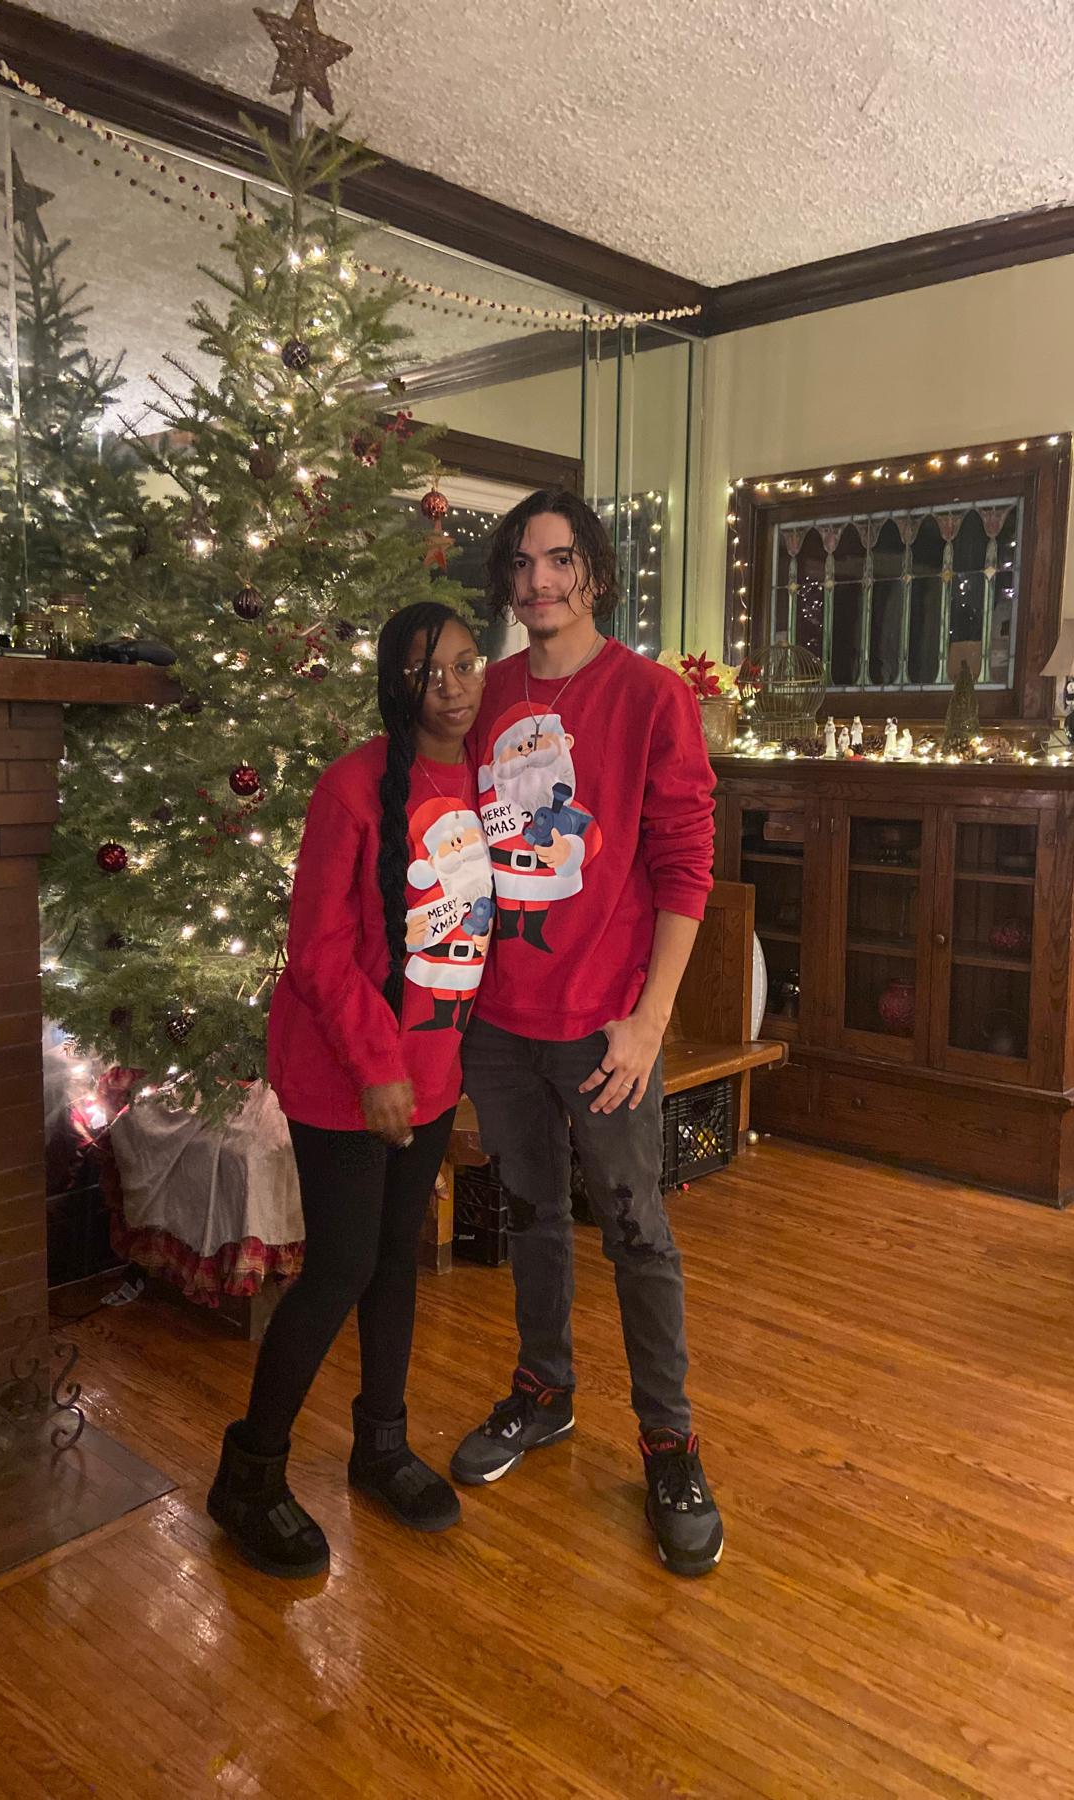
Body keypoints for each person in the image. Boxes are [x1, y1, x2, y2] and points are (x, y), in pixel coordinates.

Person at [449, 490, 724, 1577]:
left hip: (606, 1028)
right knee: (529, 1217)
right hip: (497, 1022)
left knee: (636, 1229)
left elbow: (685, 869)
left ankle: (669, 1441)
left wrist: (651, 1022)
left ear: (594, 573)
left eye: (558, 560)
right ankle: (544, 1389)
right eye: (521, 564)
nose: (538, 582)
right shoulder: (486, 694)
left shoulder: (652, 696)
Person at [208, 602, 493, 1577]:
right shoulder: (351, 788)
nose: (451, 686)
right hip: (347, 1075)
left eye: (466, 663)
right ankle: (249, 1474)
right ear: (393, 684)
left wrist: (455, 1068)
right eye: (427, 671)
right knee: (341, 1267)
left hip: (436, 1069)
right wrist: (378, 1068)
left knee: (397, 1259)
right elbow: (318, 951)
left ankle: (381, 1447)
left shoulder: (484, 783)